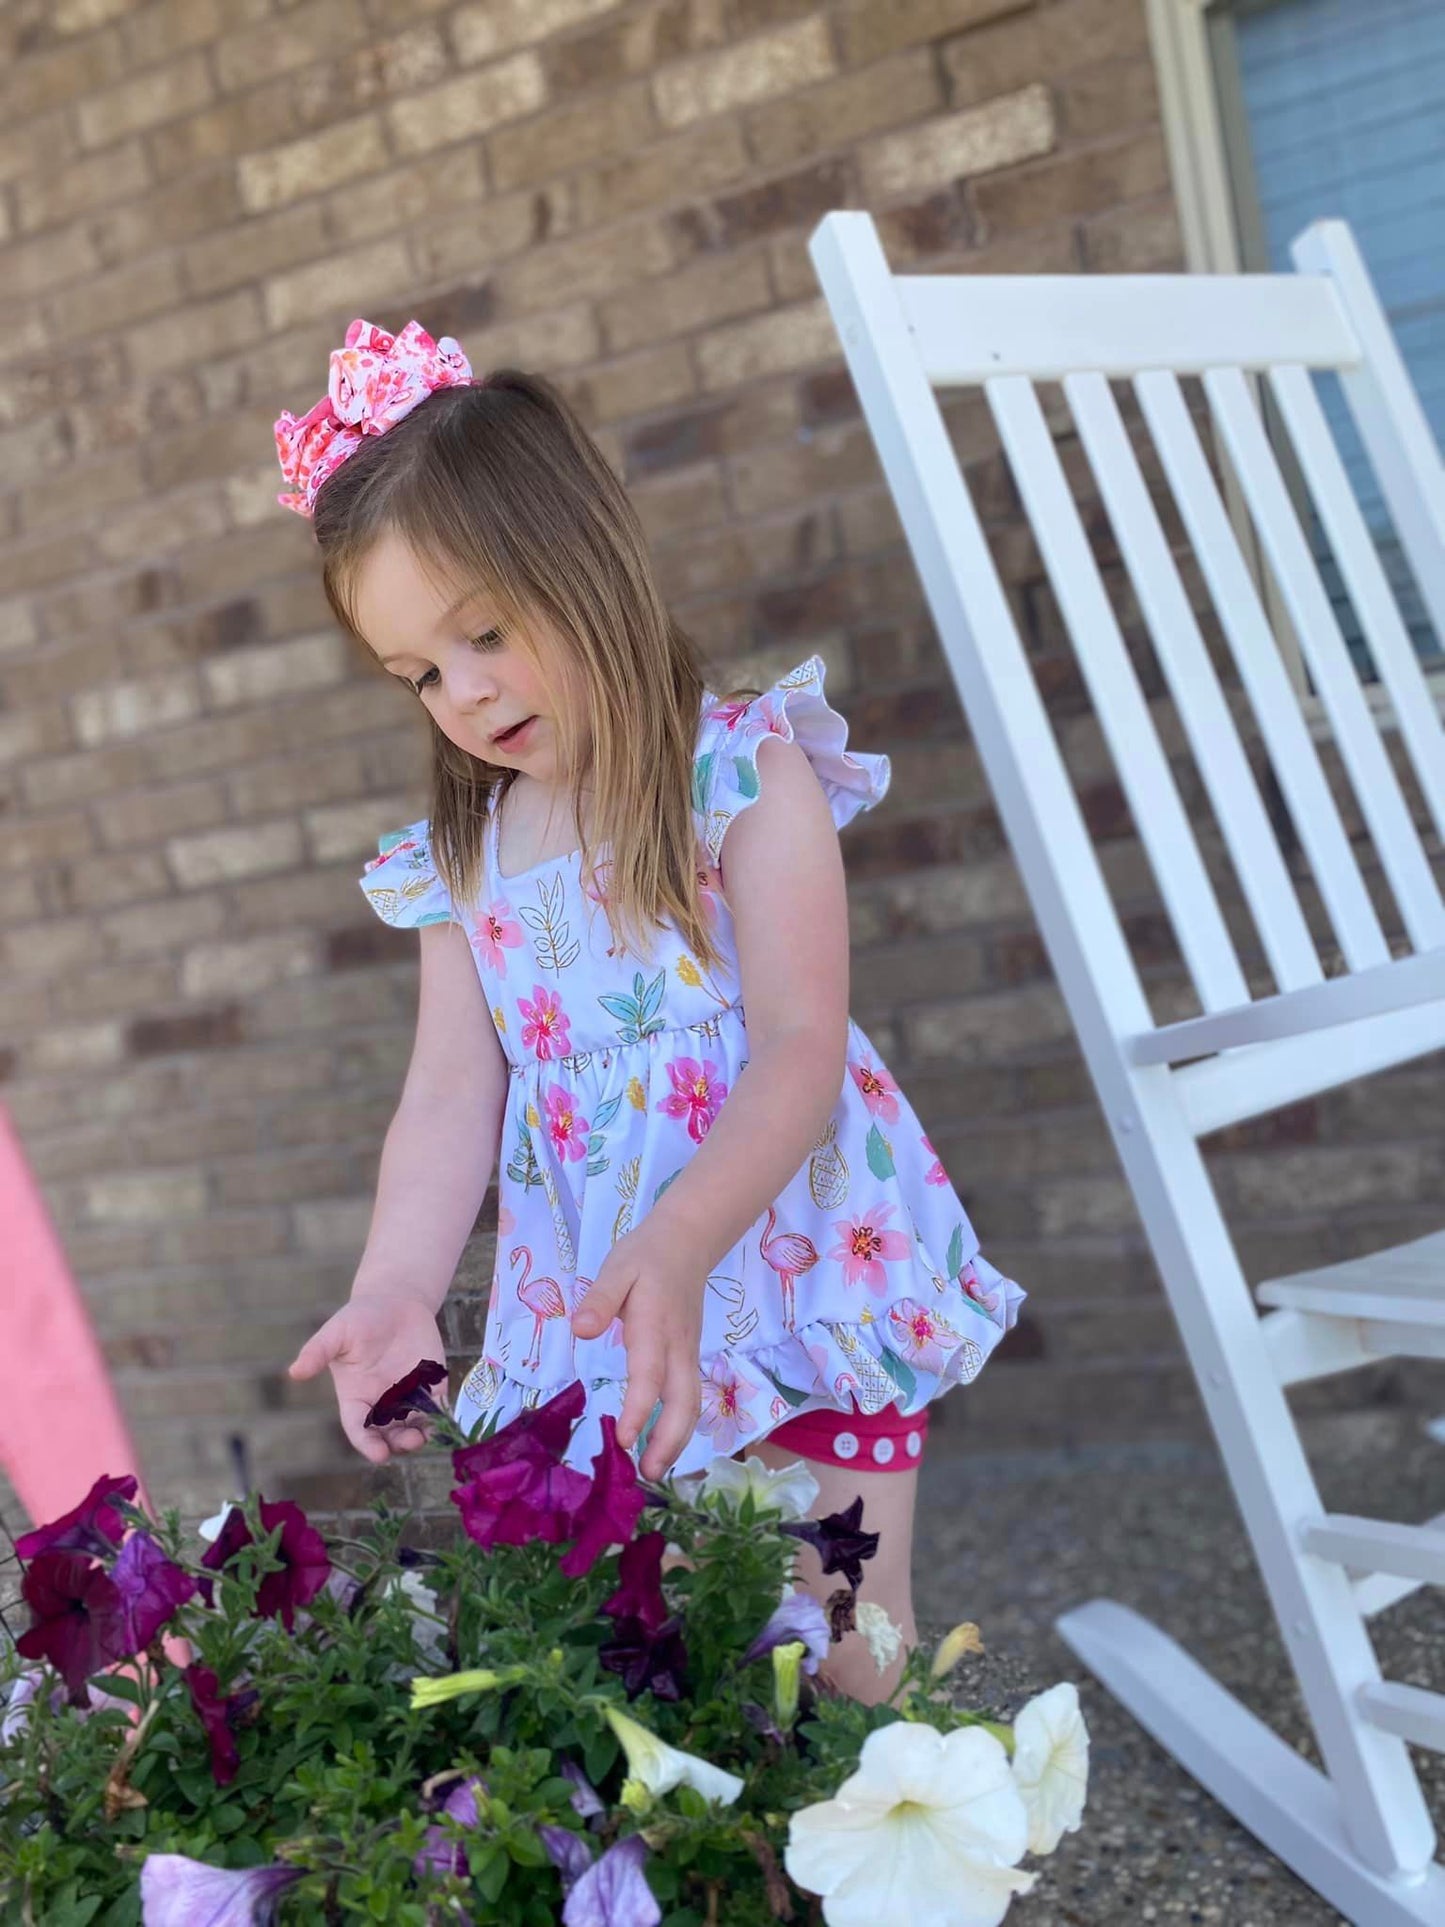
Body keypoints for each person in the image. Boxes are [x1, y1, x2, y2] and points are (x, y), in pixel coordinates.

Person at [281, 320, 1023, 1701]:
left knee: (841, 1619)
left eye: (485, 633)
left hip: (797, 1268)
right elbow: (450, 1093)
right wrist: (393, 1282)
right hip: (600, 1307)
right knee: (663, 1637)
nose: (466, 693)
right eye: (420, 675)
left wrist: (683, 1237)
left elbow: (804, 1041)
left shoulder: (741, 772)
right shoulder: (462, 859)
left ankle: (889, 1861)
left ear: (583, 558)